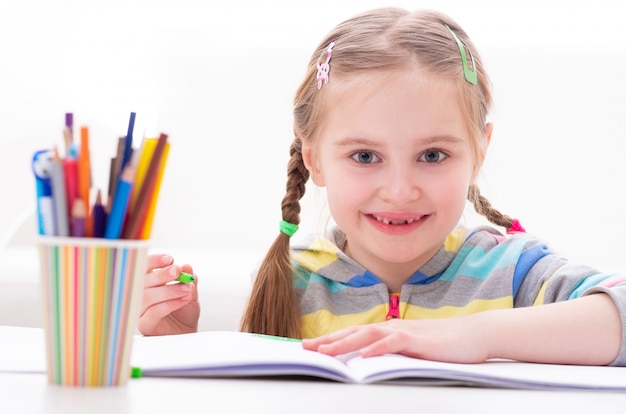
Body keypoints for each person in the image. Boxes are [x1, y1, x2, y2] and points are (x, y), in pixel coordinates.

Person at [139, 7, 626, 366]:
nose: (399, 191)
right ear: (315, 159)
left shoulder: (515, 274)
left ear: (479, 151)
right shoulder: (293, 284)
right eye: (365, 156)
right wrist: (179, 342)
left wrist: (477, 335)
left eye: (432, 156)